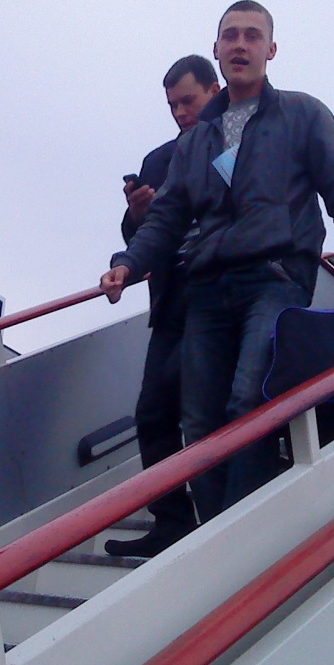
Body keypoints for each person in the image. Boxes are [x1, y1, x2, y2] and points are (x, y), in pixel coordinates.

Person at [100, 0, 334, 523]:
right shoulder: (197, 140)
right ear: (216, 49)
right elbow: (167, 217)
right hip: (206, 289)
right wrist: (129, 264)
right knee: (200, 422)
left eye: (252, 35)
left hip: (275, 277)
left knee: (248, 401)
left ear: (271, 49)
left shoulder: (303, 114)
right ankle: (217, 536)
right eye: (230, 36)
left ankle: (246, 535)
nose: (240, 45)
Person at [105, 55, 219, 558]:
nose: (179, 113)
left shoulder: (240, 142)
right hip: (173, 298)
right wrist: (136, 216)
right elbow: (142, 235)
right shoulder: (159, 159)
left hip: (222, 292)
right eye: (172, 105)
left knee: (207, 410)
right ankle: (171, 520)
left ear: (213, 91)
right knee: (153, 413)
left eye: (187, 101)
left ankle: (222, 520)